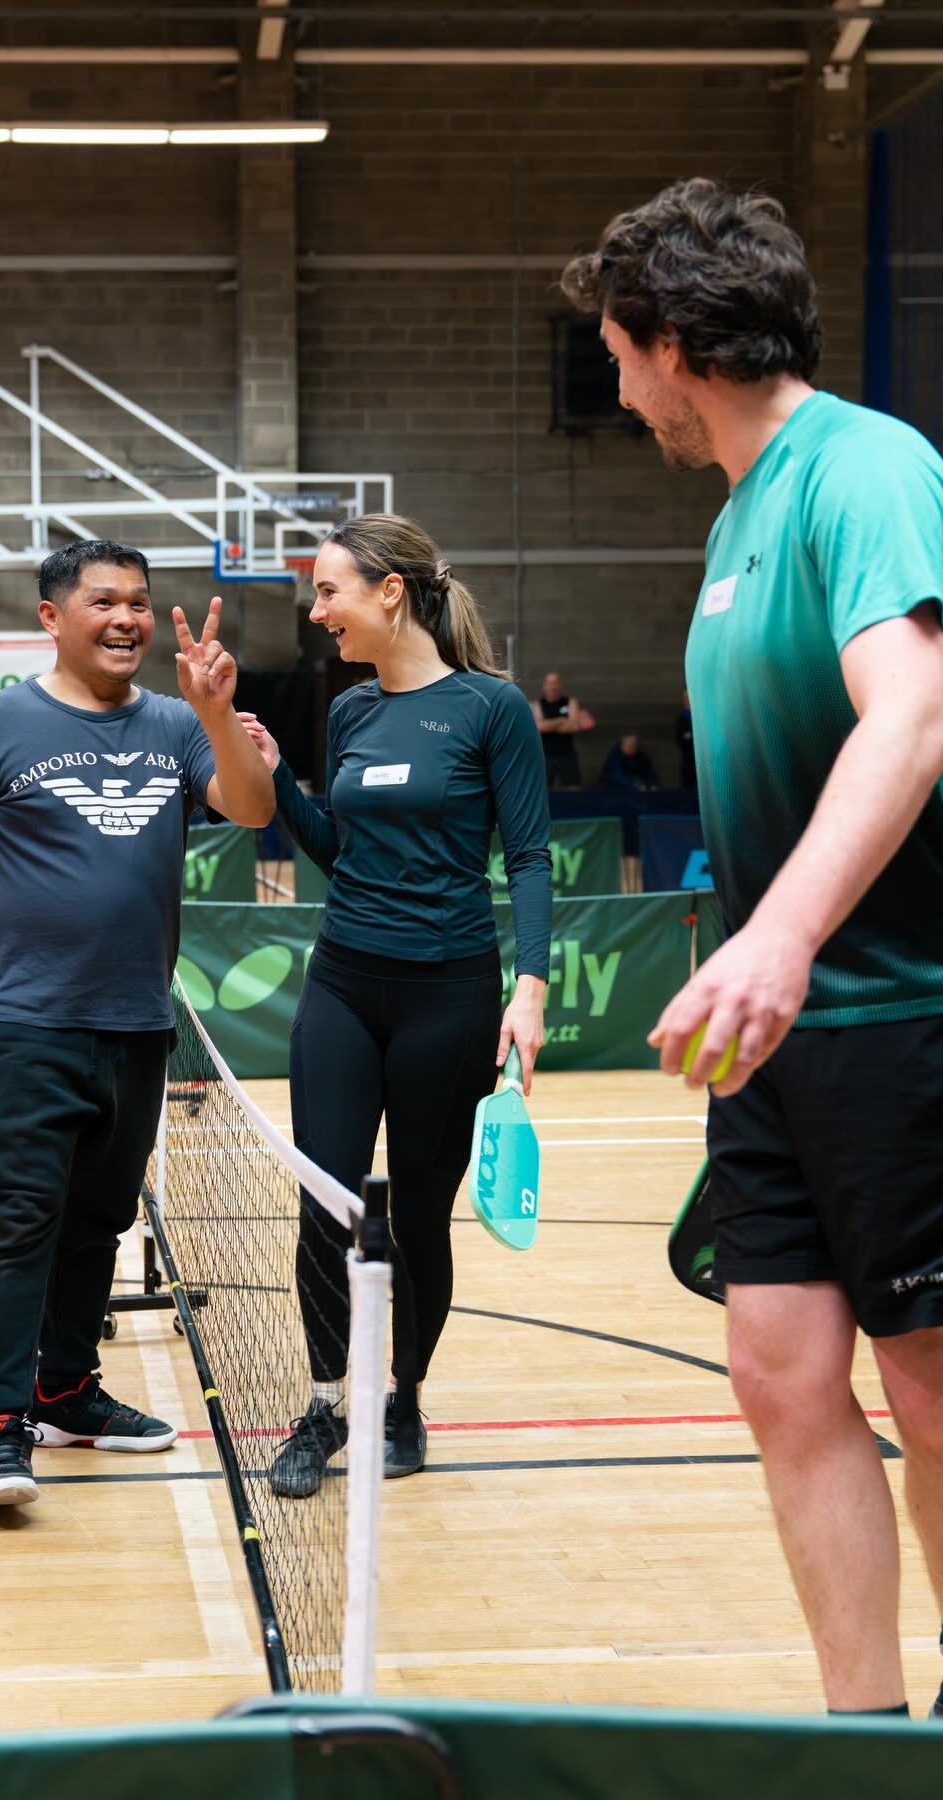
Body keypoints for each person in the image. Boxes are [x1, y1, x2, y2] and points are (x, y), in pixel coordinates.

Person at [564, 178, 943, 1720]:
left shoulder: (868, 467)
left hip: (898, 1019)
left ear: (672, 344)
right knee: (783, 1382)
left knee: (928, 1388)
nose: (616, 381)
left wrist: (779, 940)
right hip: (779, 1047)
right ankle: (862, 1731)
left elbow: (913, 713)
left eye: (617, 353)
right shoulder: (739, 514)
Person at [0, 540, 275, 1508]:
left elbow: (254, 809)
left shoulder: (181, 726)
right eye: (105, 601)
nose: (128, 619)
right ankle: (2, 1427)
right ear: (53, 617)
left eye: (140, 602)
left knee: (98, 1221)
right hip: (26, 1020)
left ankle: (66, 1391)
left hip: (137, 1022)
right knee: (22, 1223)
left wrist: (219, 715)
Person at [238, 513, 551, 1493]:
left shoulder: (493, 710)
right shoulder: (349, 713)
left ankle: (403, 1399)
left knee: (418, 1218)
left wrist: (531, 988)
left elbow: (531, 856)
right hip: (343, 983)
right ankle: (326, 1406)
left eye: (330, 590)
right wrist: (280, 779)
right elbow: (339, 849)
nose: (317, 610)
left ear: (389, 590)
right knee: (324, 1202)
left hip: (448, 997)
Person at [531, 671, 587, 787]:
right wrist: (562, 720)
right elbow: (539, 727)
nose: (552, 686)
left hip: (567, 754)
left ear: (560, 685)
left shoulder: (571, 702)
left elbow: (574, 726)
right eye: (549, 683)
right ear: (544, 686)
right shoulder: (537, 704)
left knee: (573, 789)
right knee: (543, 791)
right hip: (546, 755)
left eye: (555, 683)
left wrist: (548, 724)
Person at [675, 689, 697, 790]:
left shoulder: (701, 717)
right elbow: (680, 740)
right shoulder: (681, 719)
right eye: (686, 697)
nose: (689, 699)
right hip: (689, 759)